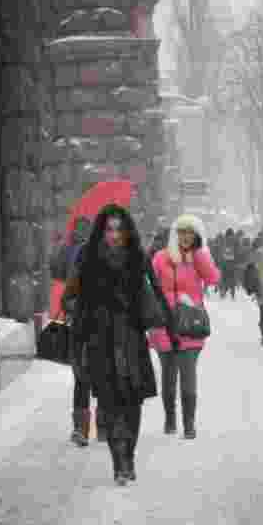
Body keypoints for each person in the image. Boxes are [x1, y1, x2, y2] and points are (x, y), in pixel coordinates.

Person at [61, 204, 160, 485]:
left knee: (133, 403)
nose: (114, 235)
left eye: (119, 229)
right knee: (110, 404)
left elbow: (152, 293)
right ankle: (120, 463)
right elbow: (69, 297)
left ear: (126, 231)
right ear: (101, 231)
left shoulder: (137, 257)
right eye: (109, 229)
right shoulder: (88, 258)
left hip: (131, 340)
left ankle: (129, 453)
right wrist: (86, 312)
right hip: (100, 341)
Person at [149, 214, 220, 438]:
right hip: (164, 325)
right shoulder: (160, 258)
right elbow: (149, 286)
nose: (186, 236)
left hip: (190, 324)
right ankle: (170, 419)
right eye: (182, 232)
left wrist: (199, 255)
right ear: (174, 234)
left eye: (191, 232)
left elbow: (213, 278)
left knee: (188, 375)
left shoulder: (198, 258)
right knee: (169, 376)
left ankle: (189, 424)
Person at [53, 217, 95, 447]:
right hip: (82, 329)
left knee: (99, 379)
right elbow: (67, 297)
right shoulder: (78, 265)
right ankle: (82, 428)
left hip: (102, 331)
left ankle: (100, 426)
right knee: (84, 378)